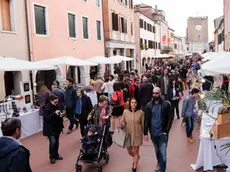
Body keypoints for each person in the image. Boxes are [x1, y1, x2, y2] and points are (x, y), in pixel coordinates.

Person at [144, 87, 173, 172]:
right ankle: (158, 162)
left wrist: (166, 131)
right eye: (153, 93)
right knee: (157, 151)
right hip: (153, 133)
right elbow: (146, 119)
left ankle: (162, 169)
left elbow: (170, 119)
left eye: (156, 93)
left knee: (163, 153)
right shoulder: (149, 105)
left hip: (162, 134)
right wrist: (145, 133)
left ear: (160, 93)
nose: (155, 95)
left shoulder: (166, 105)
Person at [120, 98, 144, 172]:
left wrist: (145, 134)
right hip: (128, 135)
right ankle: (136, 157)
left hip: (137, 135)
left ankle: (134, 167)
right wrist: (122, 124)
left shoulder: (141, 113)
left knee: (136, 151)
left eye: (135, 102)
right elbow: (122, 121)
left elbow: (142, 124)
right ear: (130, 104)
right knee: (130, 152)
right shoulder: (125, 112)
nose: (134, 104)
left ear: (137, 104)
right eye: (132, 102)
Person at [43, 94, 64, 164]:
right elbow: (46, 118)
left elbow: (61, 112)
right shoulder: (46, 108)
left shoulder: (58, 105)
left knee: (57, 142)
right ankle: (52, 156)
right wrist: (54, 113)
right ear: (50, 101)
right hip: (50, 128)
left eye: (57, 102)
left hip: (57, 127)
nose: (56, 103)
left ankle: (56, 154)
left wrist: (61, 115)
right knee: (53, 142)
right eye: (55, 102)